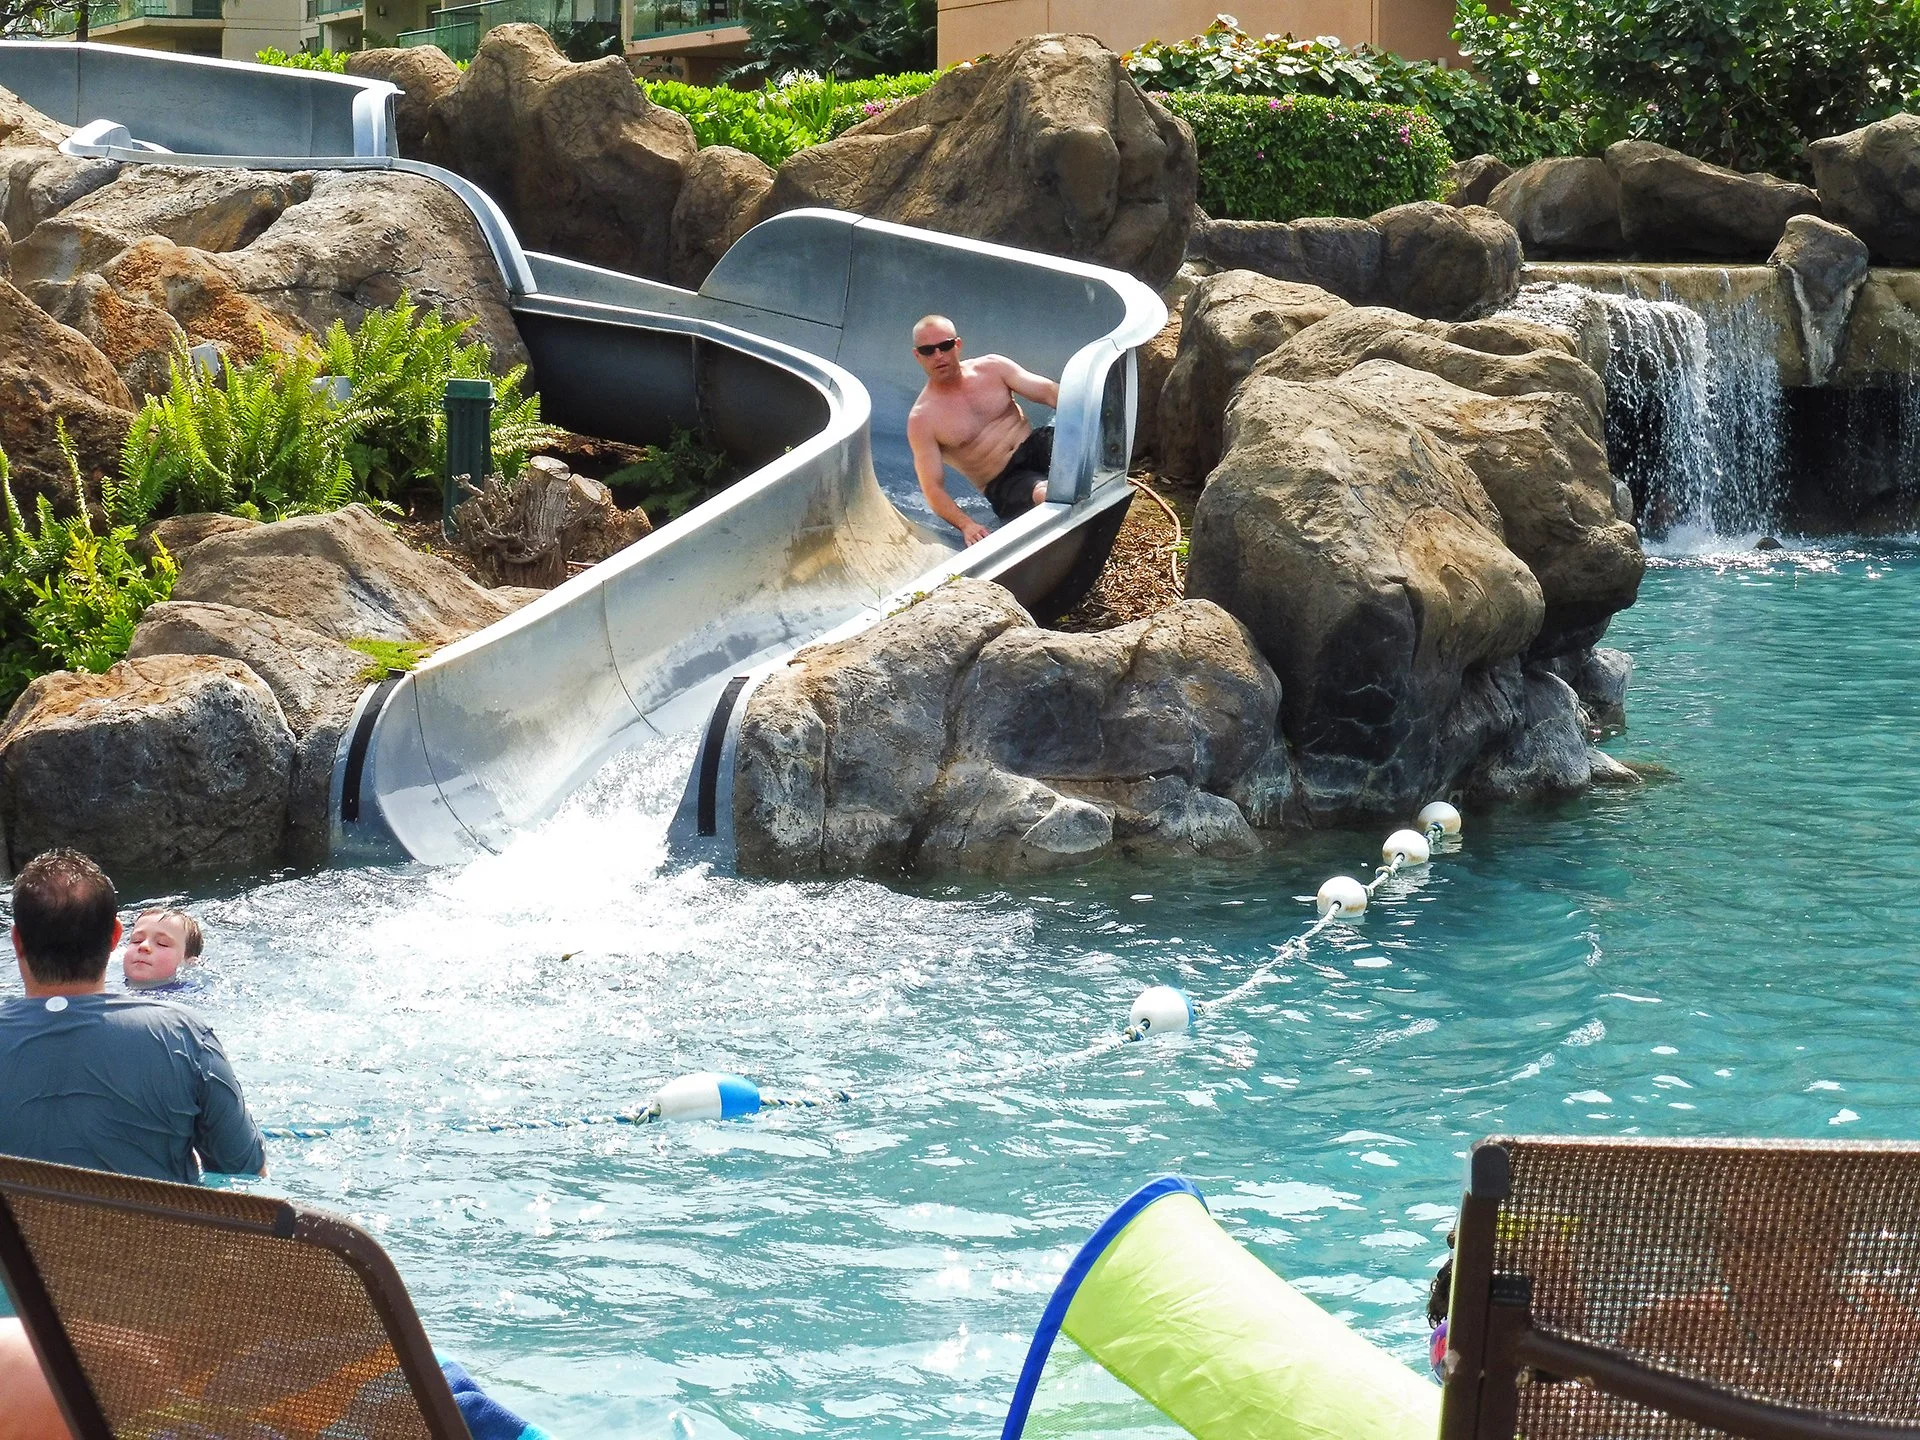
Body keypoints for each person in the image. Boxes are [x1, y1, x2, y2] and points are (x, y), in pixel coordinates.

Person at [0, 849, 264, 1185]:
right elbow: (247, 1170)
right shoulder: (186, 1036)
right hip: (143, 1221)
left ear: (17, 941)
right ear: (115, 937)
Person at [905, 314, 1061, 545]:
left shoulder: (992, 368)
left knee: (1071, 444)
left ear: (957, 345)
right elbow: (932, 488)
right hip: (1005, 481)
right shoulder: (922, 419)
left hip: (1034, 445)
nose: (938, 356)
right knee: (1043, 493)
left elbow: (1049, 393)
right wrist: (966, 524)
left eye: (945, 346)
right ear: (917, 355)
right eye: (928, 351)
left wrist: (1096, 409)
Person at [119, 907, 202, 992]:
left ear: (190, 963)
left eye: (162, 943)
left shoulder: (190, 993)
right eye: (137, 940)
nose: (143, 945)